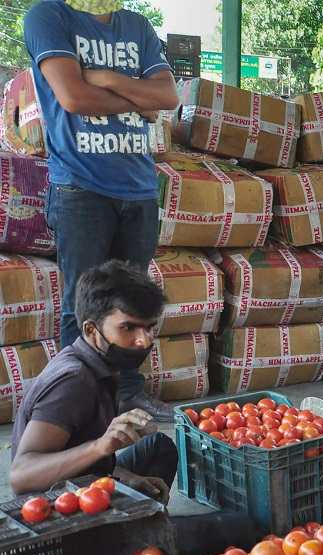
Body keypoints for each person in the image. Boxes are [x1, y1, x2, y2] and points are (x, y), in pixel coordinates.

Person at [23, 0, 179, 422]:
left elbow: (166, 96)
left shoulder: (137, 25)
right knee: (83, 304)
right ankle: (78, 405)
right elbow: (73, 97)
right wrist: (135, 97)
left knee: (134, 305)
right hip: (80, 187)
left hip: (140, 189)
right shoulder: (49, 16)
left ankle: (127, 394)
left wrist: (107, 78)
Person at [10, 260, 176, 501]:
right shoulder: (74, 382)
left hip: (87, 479)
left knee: (160, 446)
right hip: (60, 509)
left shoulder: (101, 364)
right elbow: (21, 476)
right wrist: (100, 446)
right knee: (235, 527)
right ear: (91, 330)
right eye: (128, 328)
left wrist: (127, 478)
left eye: (149, 327)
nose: (144, 341)